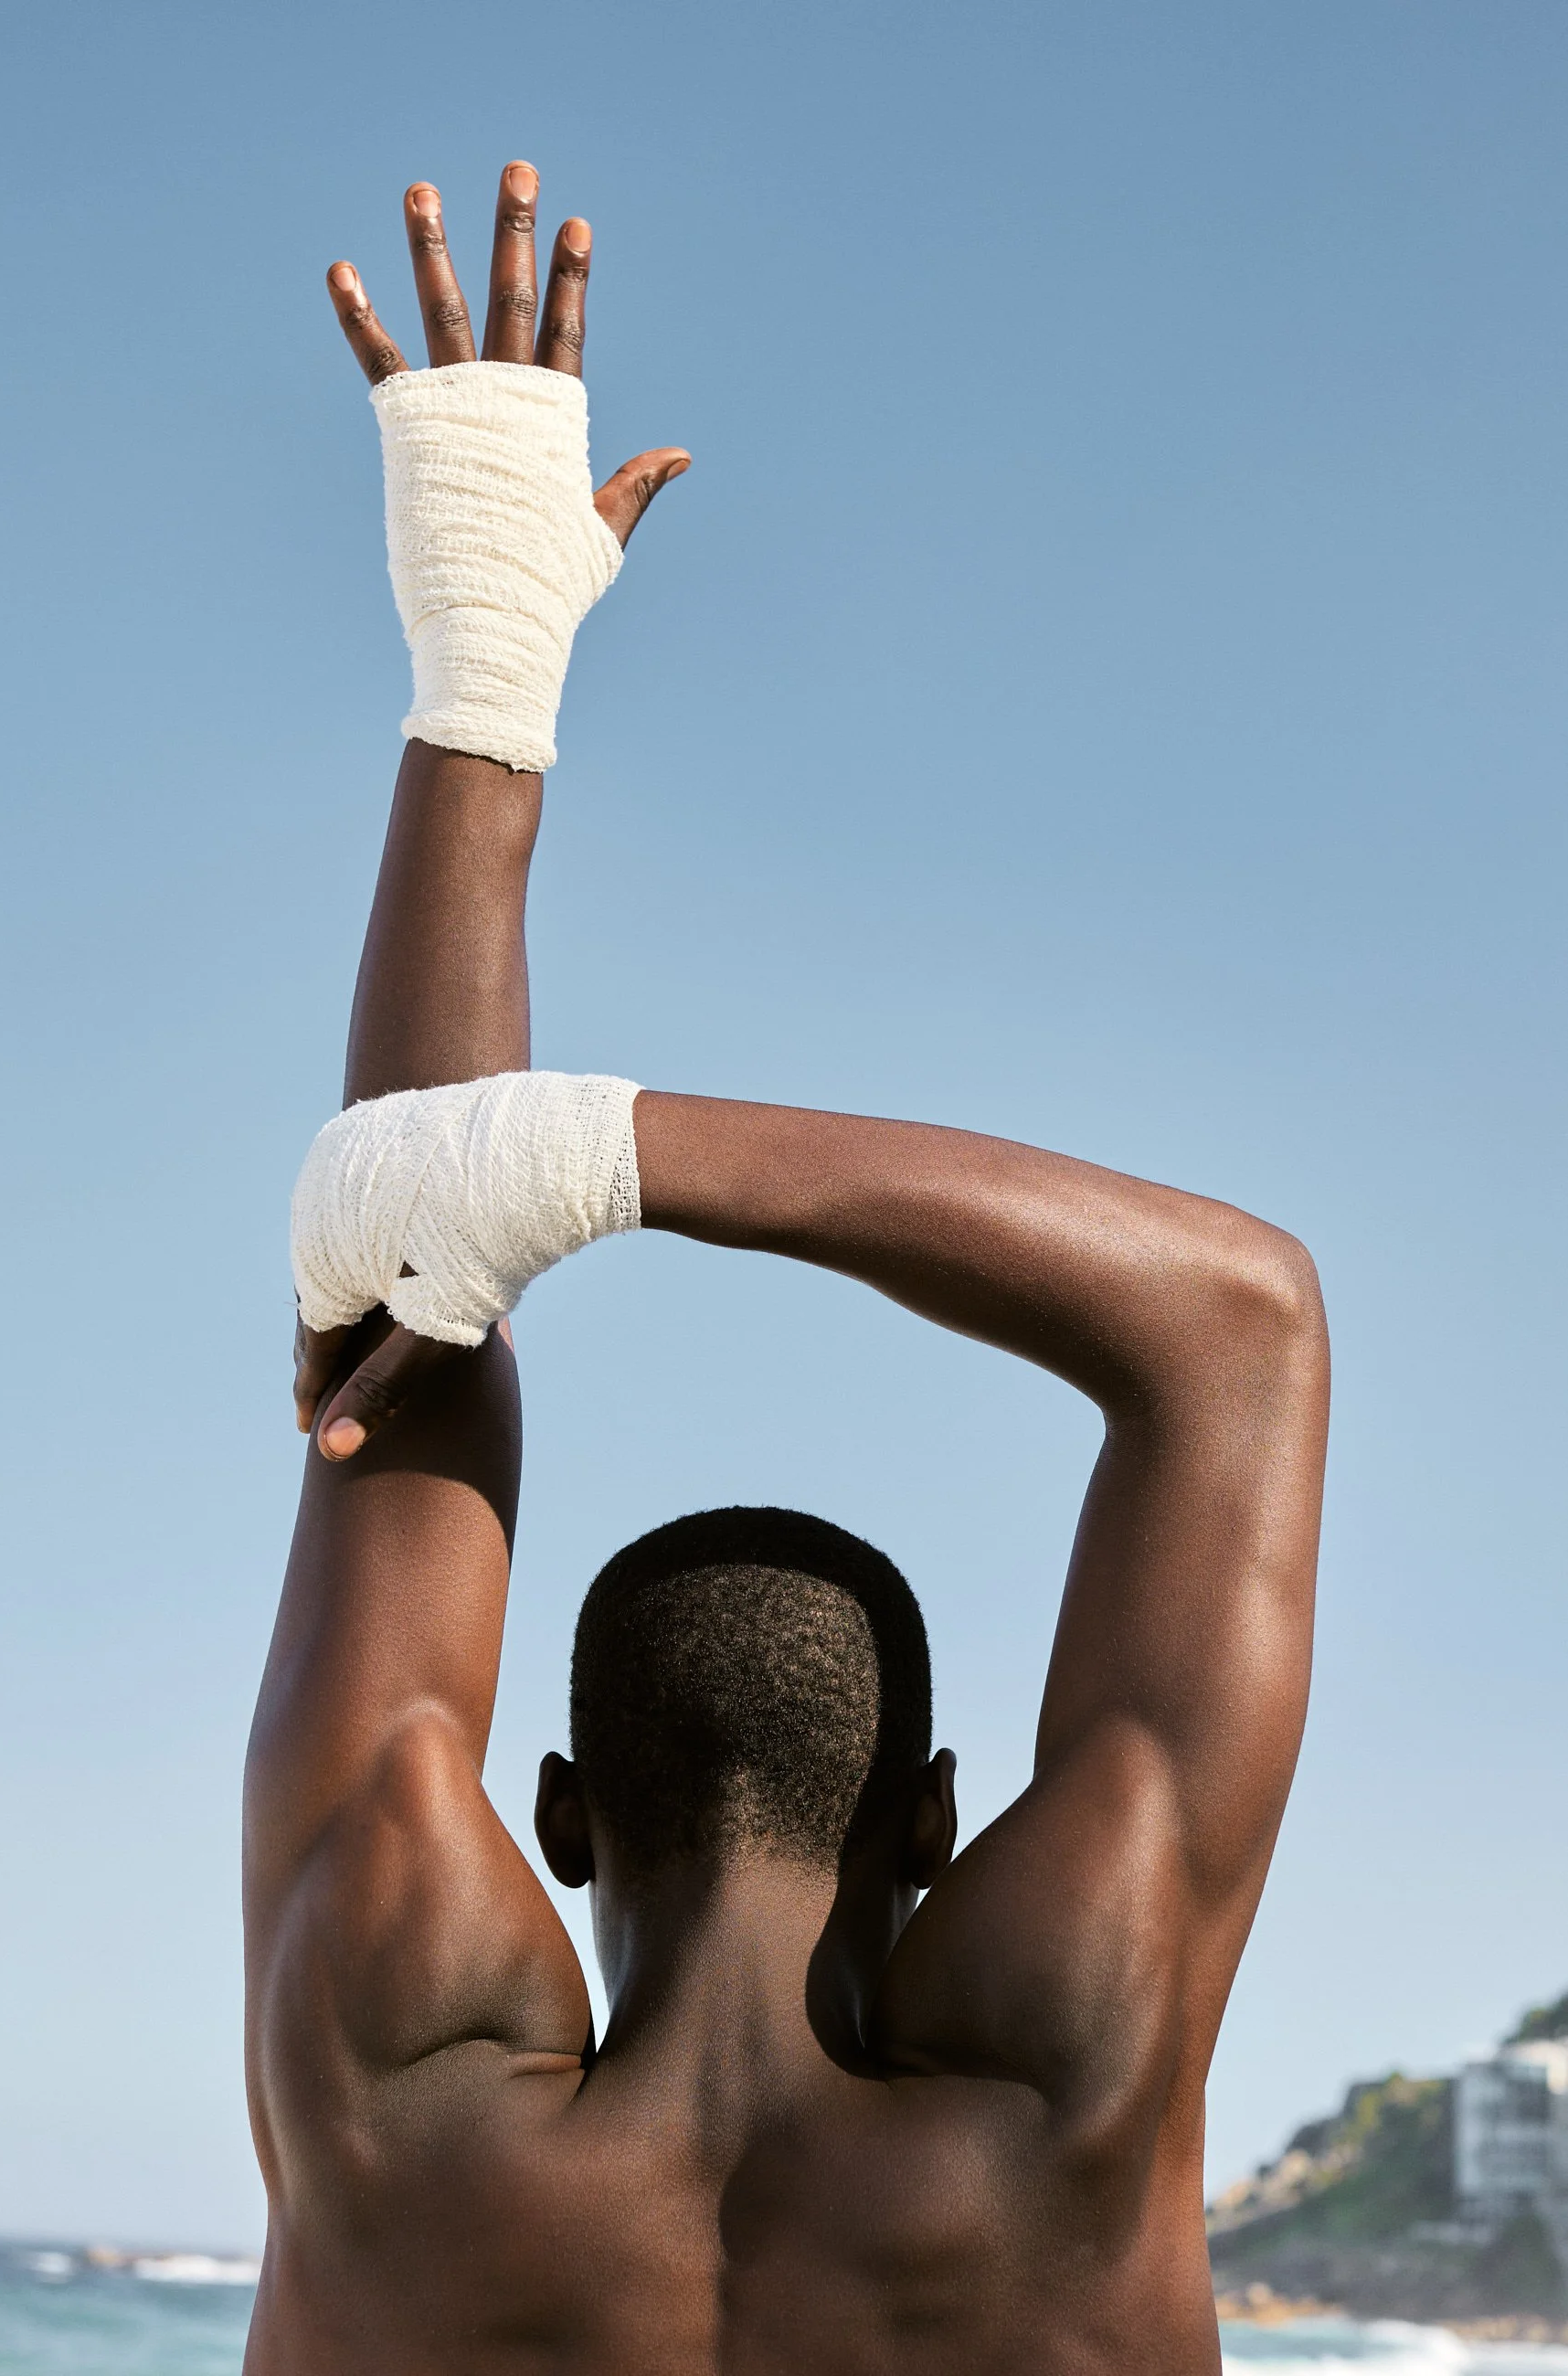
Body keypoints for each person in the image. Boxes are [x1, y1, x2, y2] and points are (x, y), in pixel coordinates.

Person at [243, 162, 1330, 2376]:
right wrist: (615, 1156)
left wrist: (486, 677)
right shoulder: (1062, 2133)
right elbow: (1239, 1325)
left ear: (555, 1821)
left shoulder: (392, 2127)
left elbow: (411, 1300)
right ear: (938, 1821)